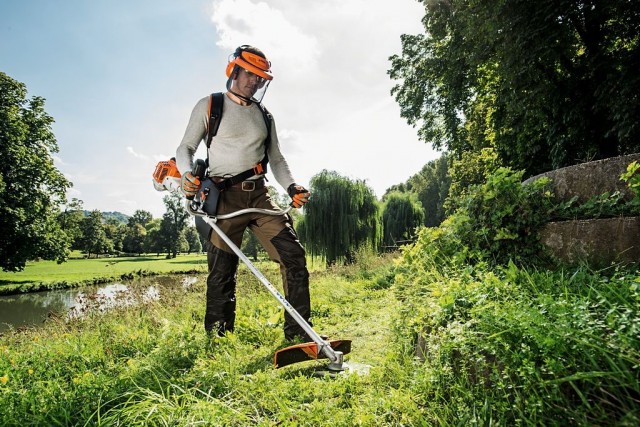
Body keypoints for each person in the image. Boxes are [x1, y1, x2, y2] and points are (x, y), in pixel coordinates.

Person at [175, 44, 313, 342]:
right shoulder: (211, 105)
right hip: (224, 199)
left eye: (260, 77)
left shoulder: (265, 116)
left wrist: (292, 186)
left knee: (293, 257)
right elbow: (185, 148)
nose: (255, 81)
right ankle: (219, 340)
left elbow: (276, 159)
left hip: (260, 198)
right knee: (222, 272)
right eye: (250, 74)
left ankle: (300, 335)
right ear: (234, 70)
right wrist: (187, 173)